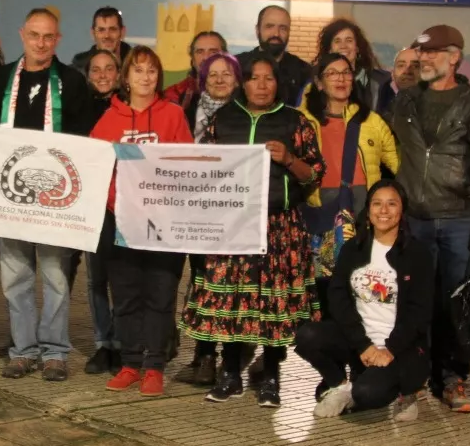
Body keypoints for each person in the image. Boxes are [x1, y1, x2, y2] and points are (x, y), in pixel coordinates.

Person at [181, 55, 324, 408]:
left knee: (272, 302)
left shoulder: (296, 121)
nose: (261, 85)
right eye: (254, 78)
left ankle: (271, 376)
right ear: (242, 83)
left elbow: (315, 173)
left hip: (280, 226)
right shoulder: (223, 119)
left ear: (278, 83)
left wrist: (289, 159)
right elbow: (205, 169)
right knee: (232, 299)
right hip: (233, 224)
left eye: (268, 79)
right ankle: (229, 374)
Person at [0, 8, 97, 381]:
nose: (41, 43)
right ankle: (23, 350)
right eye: (34, 35)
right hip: (10, 200)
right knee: (16, 279)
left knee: (57, 278)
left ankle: (55, 352)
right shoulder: (2, 80)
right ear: (21, 35)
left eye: (48, 37)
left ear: (57, 39)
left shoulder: (73, 83)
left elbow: (86, 140)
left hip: (55, 203)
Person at [389, 25, 470, 413]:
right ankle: (414, 379)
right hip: (413, 220)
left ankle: (452, 379)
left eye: (433, 53)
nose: (425, 60)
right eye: (422, 54)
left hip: (459, 222)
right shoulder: (404, 102)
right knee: (415, 305)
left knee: (455, 308)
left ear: (455, 57)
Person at [91, 46, 194, 396]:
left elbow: (188, 165)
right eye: (138, 70)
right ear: (126, 77)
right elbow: (93, 168)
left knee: (160, 295)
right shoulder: (109, 120)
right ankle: (131, 363)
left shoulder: (174, 116)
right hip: (121, 224)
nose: (145, 77)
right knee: (125, 295)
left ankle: (155, 367)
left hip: (165, 225)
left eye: (152, 71)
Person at [296, 181, 434, 421]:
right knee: (307, 335)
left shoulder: (417, 254)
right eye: (377, 204)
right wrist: (363, 345)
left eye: (392, 204)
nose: (384, 211)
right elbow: (338, 298)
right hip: (361, 343)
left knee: (368, 394)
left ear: (402, 211)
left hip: (400, 348)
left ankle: (407, 392)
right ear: (368, 210)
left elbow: (419, 312)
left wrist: (389, 349)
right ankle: (339, 386)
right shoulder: (354, 248)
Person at [303, 52, 400, 310]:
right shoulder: (303, 120)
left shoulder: (371, 120)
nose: (341, 79)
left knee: (362, 284)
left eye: (346, 72)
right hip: (322, 215)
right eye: (332, 73)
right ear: (320, 82)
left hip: (362, 215)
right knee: (325, 286)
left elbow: (397, 164)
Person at [171, 49, 241, 387]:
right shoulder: (186, 112)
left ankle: (231, 356)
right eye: (212, 74)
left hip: (232, 213)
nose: (219, 80)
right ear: (202, 80)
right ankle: (203, 354)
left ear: (237, 80)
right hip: (194, 212)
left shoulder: (245, 115)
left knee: (231, 284)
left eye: (226, 74)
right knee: (201, 281)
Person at [80, 46, 122, 375]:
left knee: (121, 280)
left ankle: (121, 344)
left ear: (119, 74)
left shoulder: (127, 109)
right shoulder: (78, 110)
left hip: (123, 205)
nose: (103, 75)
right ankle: (102, 344)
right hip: (90, 206)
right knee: (96, 280)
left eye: (109, 68)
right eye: (96, 69)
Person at [316, 18, 393, 117]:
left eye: (349, 40)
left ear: (357, 47)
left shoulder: (381, 83)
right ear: (330, 49)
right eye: (337, 41)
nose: (343, 46)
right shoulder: (316, 82)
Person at [242, 5, 311, 108]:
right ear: (257, 30)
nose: (276, 34)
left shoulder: (304, 71)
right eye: (269, 26)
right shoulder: (237, 66)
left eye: (283, 28)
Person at [163, 30, 227, 112]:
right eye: (200, 52)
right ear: (193, 59)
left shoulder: (236, 95)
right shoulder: (174, 94)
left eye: (213, 52)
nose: (206, 57)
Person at [69, 6, 131, 73]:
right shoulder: (76, 72)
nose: (107, 35)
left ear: (122, 32)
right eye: (101, 30)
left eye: (112, 29)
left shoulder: (137, 67)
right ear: (93, 33)